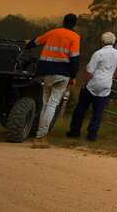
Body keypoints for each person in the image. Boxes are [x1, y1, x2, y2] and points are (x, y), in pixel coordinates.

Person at [29, 13, 81, 144]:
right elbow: (75, 59)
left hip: (46, 73)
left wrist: (27, 44)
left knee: (45, 104)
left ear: (63, 22)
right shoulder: (75, 37)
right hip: (62, 74)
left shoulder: (53, 32)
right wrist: (73, 77)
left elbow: (35, 42)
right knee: (52, 104)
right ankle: (41, 137)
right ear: (74, 24)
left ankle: (40, 135)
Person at [67, 32, 117, 142]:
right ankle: (92, 135)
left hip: (93, 84)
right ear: (114, 42)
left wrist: (84, 82)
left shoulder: (98, 53)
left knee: (81, 109)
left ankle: (75, 131)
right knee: (98, 112)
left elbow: (90, 71)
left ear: (102, 41)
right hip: (106, 85)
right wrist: (114, 75)